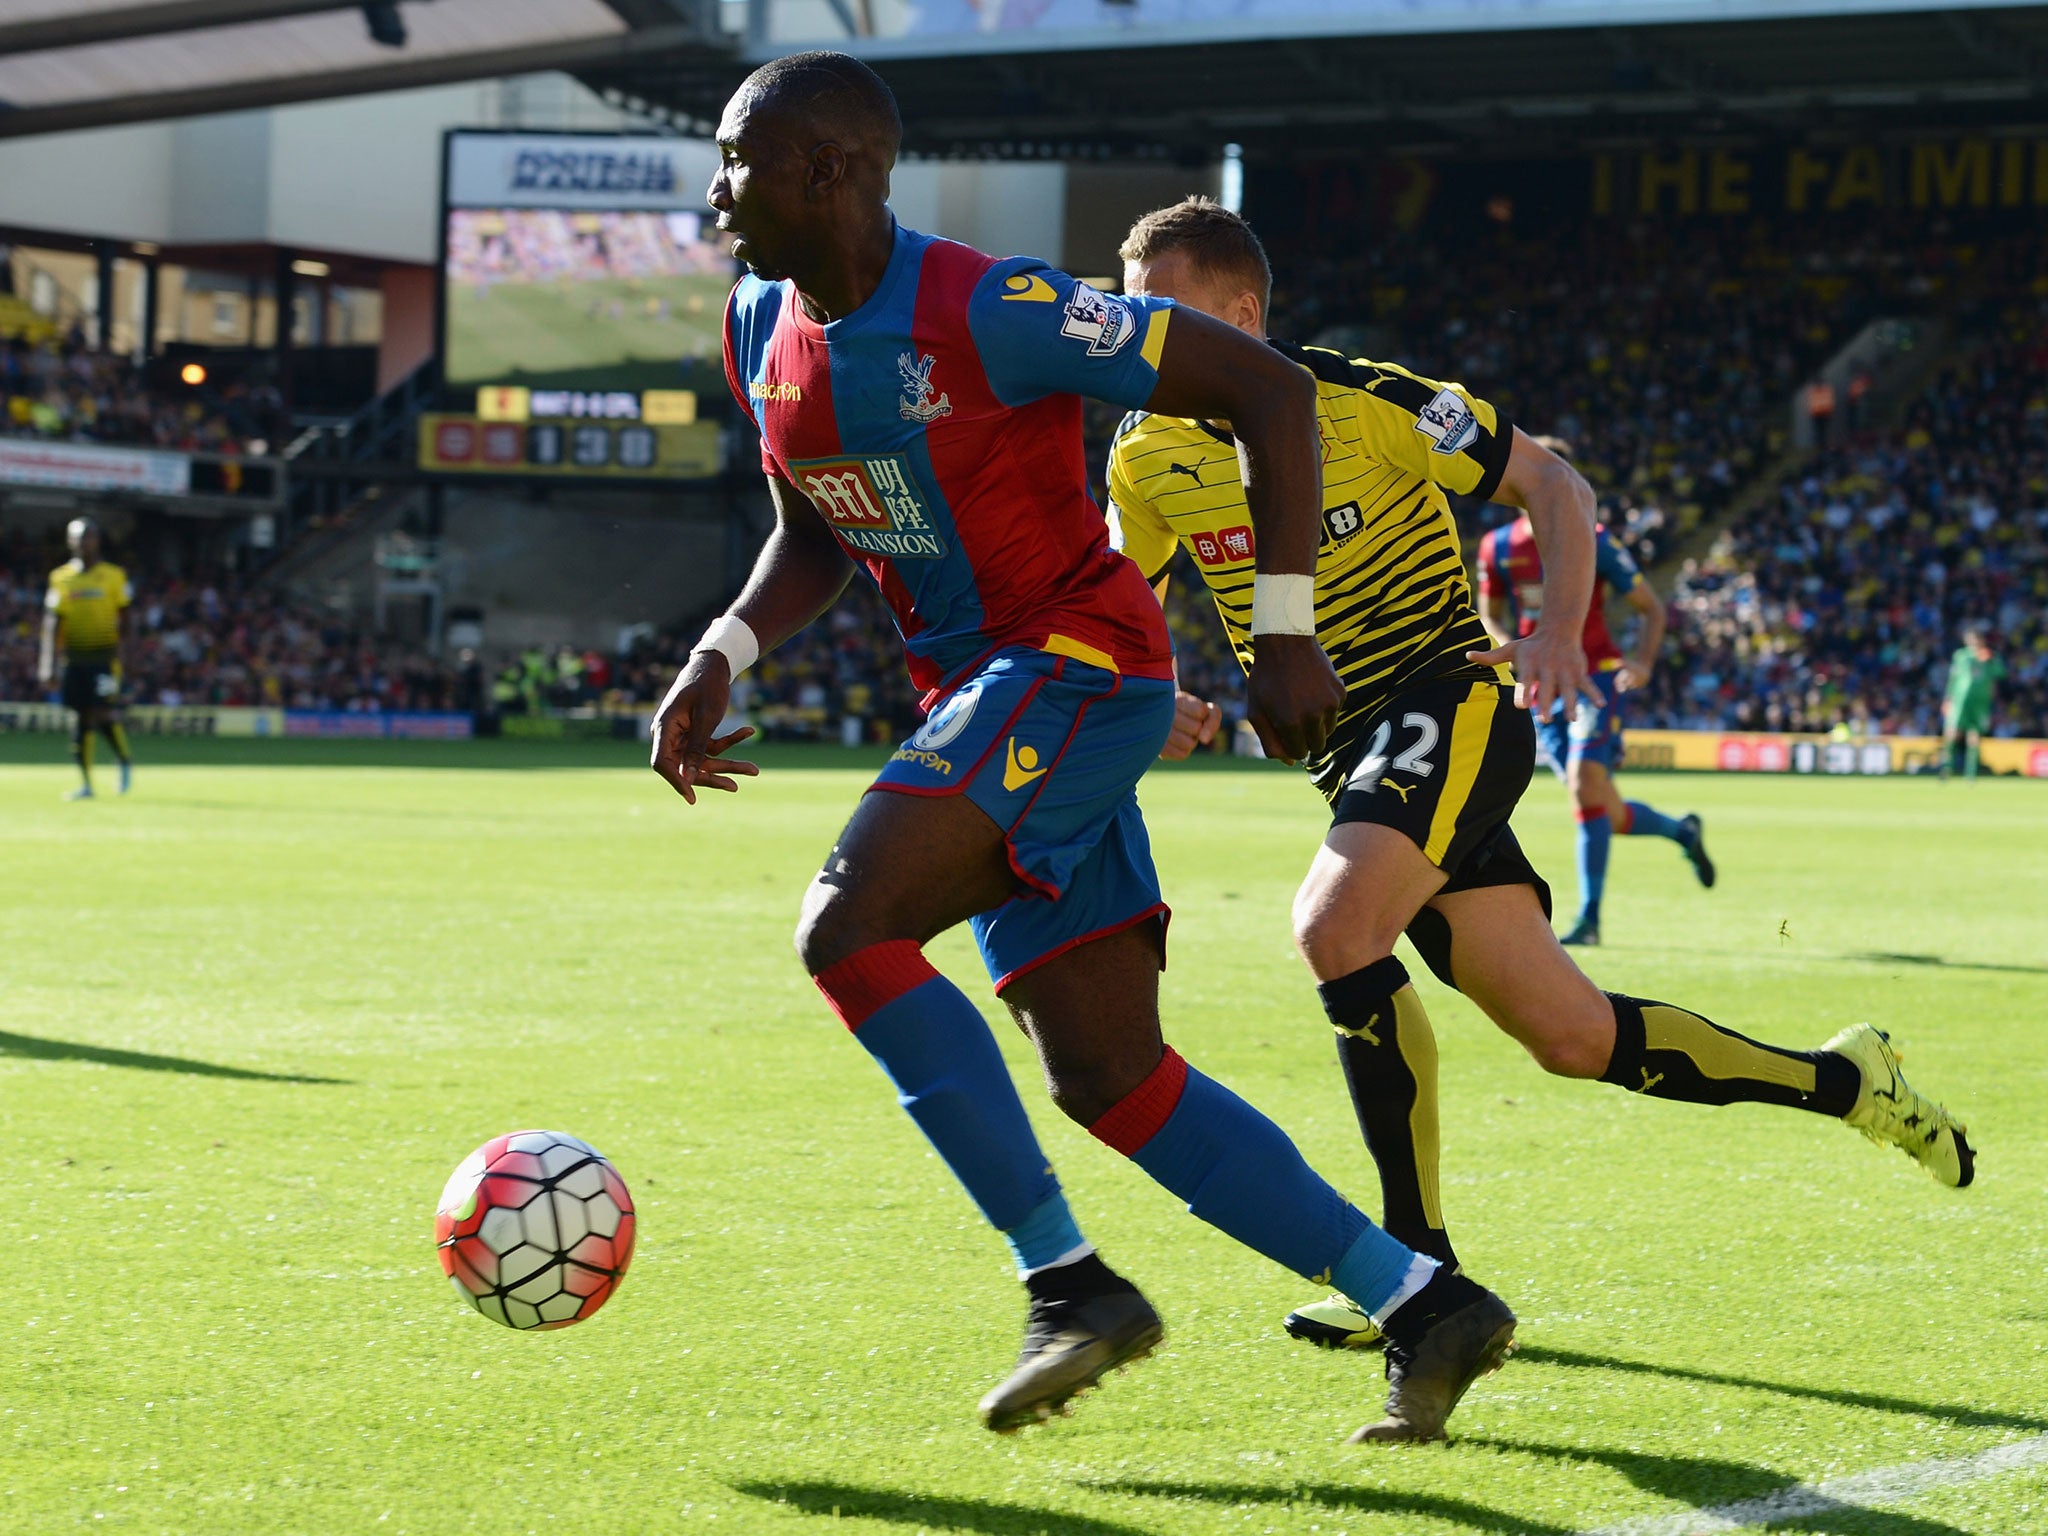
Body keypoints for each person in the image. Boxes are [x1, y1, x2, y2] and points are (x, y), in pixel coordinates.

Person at [650, 53, 1517, 1445]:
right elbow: (817, 522)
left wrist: (1282, 628)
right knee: (1109, 1074)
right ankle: (1424, 1305)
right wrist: (722, 652)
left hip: (1074, 664)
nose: (714, 188)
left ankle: (1068, 1286)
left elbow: (1267, 390)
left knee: (847, 927)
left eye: (736, 159)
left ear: (827, 171)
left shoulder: (991, 308)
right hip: (991, 697)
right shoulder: (760, 322)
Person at [1104, 197, 1975, 1354]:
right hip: (1350, 759)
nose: (1136, 340)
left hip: (1446, 702)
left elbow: (1557, 491)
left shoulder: (1368, 401)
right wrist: (1144, 685)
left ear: (1238, 312)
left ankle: (1410, 1275)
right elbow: (1111, 597)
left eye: (1157, 314)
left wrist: (1561, 631)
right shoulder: (1145, 449)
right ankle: (1845, 1081)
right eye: (1127, 317)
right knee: (1570, 1037)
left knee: (1332, 927)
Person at [1475, 441, 1713, 947]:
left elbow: (1651, 607)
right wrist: (1506, 644)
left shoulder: (1594, 540)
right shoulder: (1497, 547)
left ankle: (1590, 919)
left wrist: (1643, 662)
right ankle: (1682, 832)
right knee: (1603, 807)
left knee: (1585, 785)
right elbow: (1489, 610)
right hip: (1541, 685)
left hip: (1594, 677)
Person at [37, 517, 134, 800]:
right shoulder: (61, 578)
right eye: (77, 537)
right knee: (80, 718)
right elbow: (53, 622)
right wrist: (47, 663)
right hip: (75, 659)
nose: (83, 541)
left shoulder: (114, 575)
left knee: (101, 712)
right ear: (69, 541)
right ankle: (87, 784)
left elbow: (127, 619)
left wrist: (129, 657)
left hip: (105, 658)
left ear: (97, 540)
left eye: (88, 536)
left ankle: (123, 759)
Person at [1940, 628, 2004, 780]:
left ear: (1981, 641)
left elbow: (2001, 673)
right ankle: (1946, 769)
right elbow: (1953, 678)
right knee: (1952, 733)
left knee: (1974, 736)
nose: (1974, 643)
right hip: (1960, 700)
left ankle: (1971, 774)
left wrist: (1992, 659)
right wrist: (1948, 698)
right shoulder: (1961, 656)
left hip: (1980, 703)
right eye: (1971, 640)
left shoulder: (1988, 657)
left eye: (1976, 640)